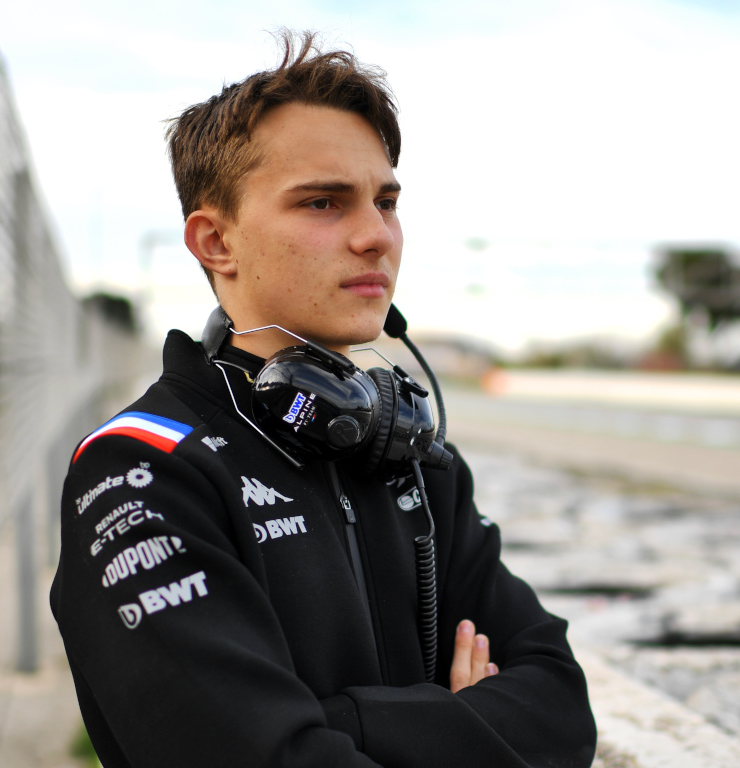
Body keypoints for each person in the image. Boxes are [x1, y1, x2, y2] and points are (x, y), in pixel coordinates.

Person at [50, 32, 596, 768]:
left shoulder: (418, 460)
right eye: (322, 203)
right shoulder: (142, 474)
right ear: (216, 243)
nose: (376, 236)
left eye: (387, 201)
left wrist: (348, 723)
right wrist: (454, 719)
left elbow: (561, 709)